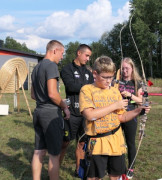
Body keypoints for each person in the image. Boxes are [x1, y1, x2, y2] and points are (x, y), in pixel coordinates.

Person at [79, 56, 151, 180]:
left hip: (116, 142)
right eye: (105, 77)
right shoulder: (87, 90)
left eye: (111, 77)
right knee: (94, 177)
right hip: (97, 143)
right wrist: (114, 105)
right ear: (95, 74)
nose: (108, 81)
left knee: (116, 176)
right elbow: (90, 115)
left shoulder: (114, 92)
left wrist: (138, 110)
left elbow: (122, 117)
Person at [31, 40, 70, 180]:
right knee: (54, 153)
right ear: (54, 51)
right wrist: (64, 106)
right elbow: (53, 94)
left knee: (38, 151)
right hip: (50, 114)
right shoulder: (51, 66)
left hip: (38, 111)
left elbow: (33, 95)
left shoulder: (36, 67)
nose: (62, 57)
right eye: (61, 53)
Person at [60, 44, 94, 177]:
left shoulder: (87, 72)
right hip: (72, 113)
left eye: (89, 56)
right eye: (87, 55)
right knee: (65, 143)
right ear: (79, 53)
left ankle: (78, 171)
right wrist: (87, 87)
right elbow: (70, 86)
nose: (88, 59)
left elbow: (92, 89)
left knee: (81, 143)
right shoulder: (67, 69)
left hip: (85, 113)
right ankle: (54, 170)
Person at [118, 57, 143, 179]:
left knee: (130, 143)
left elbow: (141, 101)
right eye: (122, 68)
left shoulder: (137, 83)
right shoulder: (117, 81)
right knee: (118, 142)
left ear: (132, 68)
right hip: (118, 115)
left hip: (131, 116)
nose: (124, 71)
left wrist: (130, 95)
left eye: (127, 68)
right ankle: (119, 167)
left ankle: (131, 167)